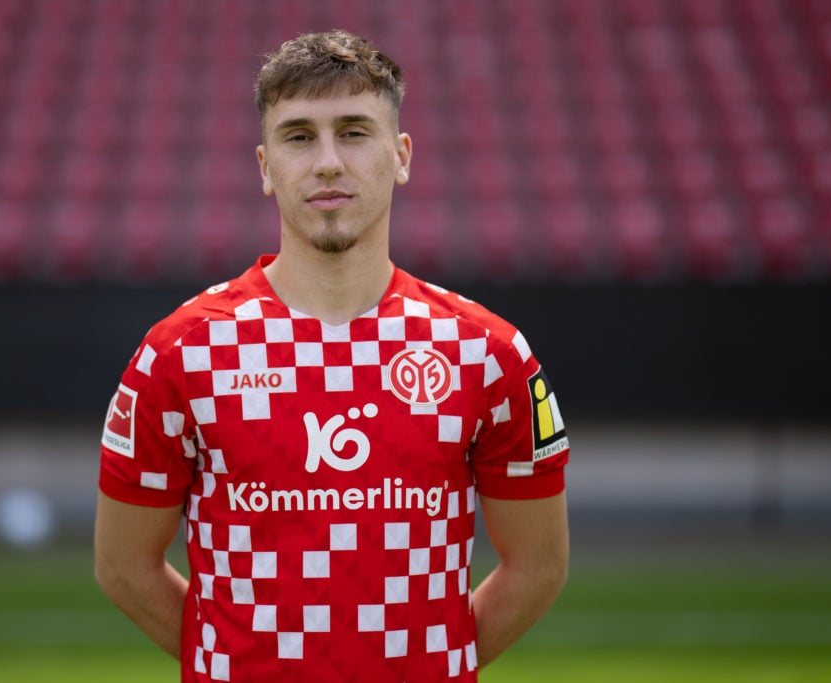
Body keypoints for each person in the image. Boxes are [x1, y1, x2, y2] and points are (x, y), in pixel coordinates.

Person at [95, 29, 569, 682]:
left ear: (400, 154)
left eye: (353, 131)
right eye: (298, 136)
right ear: (264, 166)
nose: (326, 161)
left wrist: (424, 663)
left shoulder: (488, 352)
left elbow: (538, 566)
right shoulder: (179, 352)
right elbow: (123, 566)